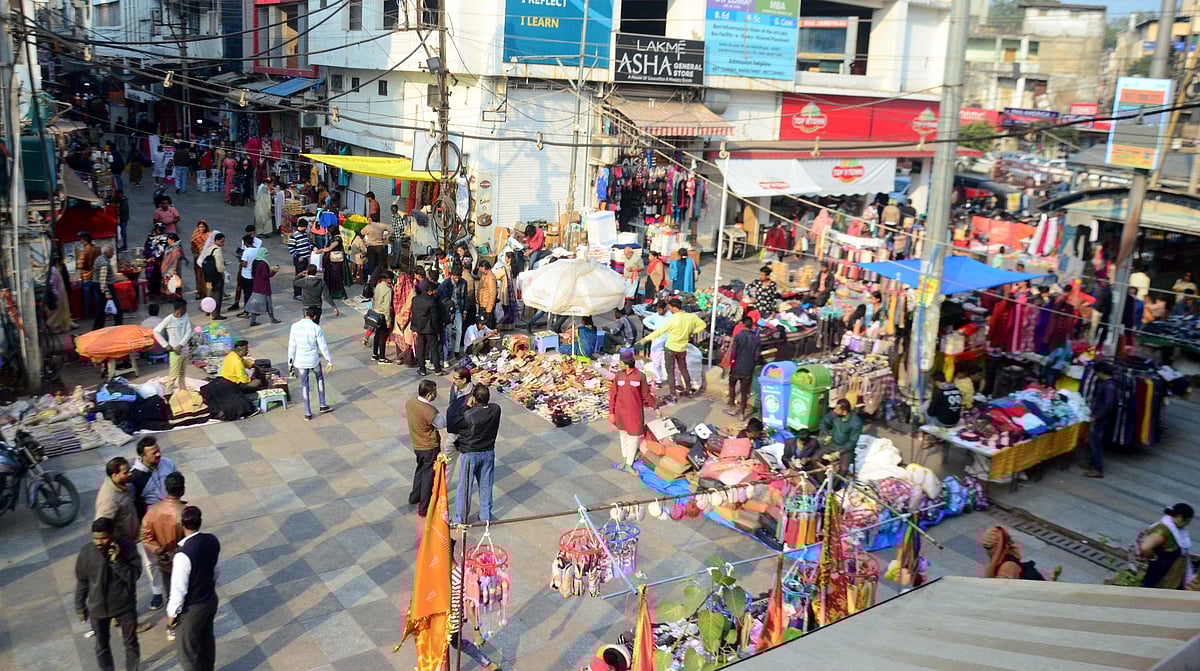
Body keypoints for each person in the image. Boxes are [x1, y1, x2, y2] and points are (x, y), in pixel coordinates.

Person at [75, 517, 142, 671]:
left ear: (112, 535)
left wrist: (117, 561)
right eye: (95, 538)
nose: (99, 542)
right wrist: (80, 606)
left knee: (130, 643)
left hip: (124, 606)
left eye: (104, 538)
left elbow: (133, 576)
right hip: (98, 608)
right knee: (101, 645)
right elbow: (82, 582)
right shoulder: (86, 552)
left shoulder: (127, 548)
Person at [167, 506, 221, 671]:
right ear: (200, 522)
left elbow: (178, 591)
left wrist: (171, 618)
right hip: (210, 599)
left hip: (192, 608)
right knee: (206, 643)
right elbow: (216, 570)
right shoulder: (212, 540)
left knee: (188, 654)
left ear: (182, 525)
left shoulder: (183, 555)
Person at [448, 536, 503, 671]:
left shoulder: (459, 577)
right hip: (443, 616)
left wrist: (476, 632)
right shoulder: (443, 572)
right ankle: (488, 664)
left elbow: (469, 604)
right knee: (456, 643)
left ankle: (488, 664)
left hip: (452, 621)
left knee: (447, 645)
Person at [638, 298, 706, 403]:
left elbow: (660, 331)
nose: (669, 310)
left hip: (670, 348)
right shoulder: (691, 317)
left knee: (671, 372)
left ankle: (673, 394)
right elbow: (703, 325)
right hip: (682, 348)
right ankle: (688, 390)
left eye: (670, 308)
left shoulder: (673, 319)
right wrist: (691, 332)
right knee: (683, 369)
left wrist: (645, 339)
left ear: (674, 308)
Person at [449, 385, 501, 524]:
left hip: (470, 453)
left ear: (474, 398)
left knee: (465, 487)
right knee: (486, 484)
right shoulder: (495, 409)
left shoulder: (468, 415)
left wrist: (466, 406)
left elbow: (453, 424)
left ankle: (460, 518)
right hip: (488, 451)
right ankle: (485, 515)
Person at [140, 471, 186, 627]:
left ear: (166, 489)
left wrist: (158, 550)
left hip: (164, 561)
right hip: (182, 561)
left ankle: (171, 622)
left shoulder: (153, 510)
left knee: (170, 592)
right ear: (182, 489)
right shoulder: (185, 512)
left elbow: (146, 536)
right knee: (184, 591)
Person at [608, 350, 655, 472]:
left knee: (633, 437)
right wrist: (611, 412)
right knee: (623, 434)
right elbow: (613, 394)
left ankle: (629, 464)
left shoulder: (640, 376)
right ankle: (625, 458)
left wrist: (655, 406)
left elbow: (646, 394)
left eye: (620, 362)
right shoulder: (619, 375)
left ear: (627, 363)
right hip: (620, 412)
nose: (619, 364)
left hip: (634, 412)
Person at [406, 379, 445, 516]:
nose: (436, 395)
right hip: (429, 446)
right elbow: (441, 424)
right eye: (434, 392)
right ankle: (424, 507)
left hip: (417, 444)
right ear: (428, 394)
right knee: (429, 475)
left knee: (420, 470)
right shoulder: (429, 410)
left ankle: (414, 496)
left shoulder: (411, 403)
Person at [288, 306, 334, 421]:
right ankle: (322, 404)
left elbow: (292, 346)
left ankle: (307, 412)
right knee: (319, 379)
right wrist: (329, 360)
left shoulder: (294, 327)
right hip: (313, 360)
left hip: (300, 361)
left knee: (305, 385)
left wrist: (290, 362)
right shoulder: (316, 328)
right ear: (315, 316)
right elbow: (323, 346)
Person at [1140, 503, 1194, 589]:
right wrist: (1153, 558)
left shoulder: (1179, 530)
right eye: (1187, 521)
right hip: (1160, 573)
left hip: (1172, 572)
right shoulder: (1163, 530)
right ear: (1180, 517)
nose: (1187, 524)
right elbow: (1145, 547)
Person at [1083, 362, 1119, 478]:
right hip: (1098, 416)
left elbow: (1108, 405)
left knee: (1095, 443)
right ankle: (1091, 463)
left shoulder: (1109, 386)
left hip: (1100, 419)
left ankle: (1098, 469)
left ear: (1101, 372)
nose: (1096, 374)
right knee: (1093, 441)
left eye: (1096, 372)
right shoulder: (1106, 383)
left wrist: (1096, 417)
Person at [152, 298, 193, 395]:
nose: (186, 310)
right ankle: (168, 395)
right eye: (185, 308)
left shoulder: (185, 316)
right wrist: (166, 345)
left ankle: (183, 391)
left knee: (182, 373)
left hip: (184, 350)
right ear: (181, 309)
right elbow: (156, 331)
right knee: (173, 376)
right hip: (174, 352)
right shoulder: (169, 319)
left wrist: (181, 345)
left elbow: (189, 331)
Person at [726, 316, 760, 419]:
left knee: (732, 386)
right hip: (748, 367)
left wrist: (731, 363)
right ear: (751, 326)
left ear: (743, 324)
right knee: (744, 391)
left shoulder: (738, 336)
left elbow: (733, 353)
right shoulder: (755, 338)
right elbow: (756, 355)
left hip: (736, 366)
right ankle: (742, 413)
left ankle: (731, 407)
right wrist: (753, 364)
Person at [819, 399, 864, 474]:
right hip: (833, 444)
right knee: (815, 459)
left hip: (846, 448)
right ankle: (821, 482)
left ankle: (834, 485)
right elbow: (823, 423)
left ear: (844, 412)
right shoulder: (834, 414)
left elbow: (852, 442)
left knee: (844, 469)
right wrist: (826, 435)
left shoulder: (856, 423)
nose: (834, 411)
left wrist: (839, 452)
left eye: (837, 410)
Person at [411, 280, 443, 376]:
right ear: (430, 291)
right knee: (433, 349)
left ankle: (422, 369)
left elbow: (414, 315)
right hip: (430, 329)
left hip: (419, 329)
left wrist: (413, 328)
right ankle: (437, 369)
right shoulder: (432, 302)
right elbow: (434, 318)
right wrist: (438, 331)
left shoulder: (415, 299)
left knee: (420, 348)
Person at [438, 264, 468, 360]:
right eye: (455, 278)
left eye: (458, 278)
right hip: (448, 311)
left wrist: (465, 311)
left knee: (459, 330)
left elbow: (465, 297)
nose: (457, 280)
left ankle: (456, 350)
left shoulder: (464, 283)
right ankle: (450, 348)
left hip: (459, 308)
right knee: (449, 331)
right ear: (452, 275)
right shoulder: (446, 284)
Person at [245, 247, 281, 326]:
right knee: (269, 303)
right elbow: (265, 275)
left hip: (257, 286)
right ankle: (272, 318)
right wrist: (273, 272)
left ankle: (253, 320)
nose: (267, 255)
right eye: (265, 253)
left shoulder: (256, 262)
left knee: (255, 304)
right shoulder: (263, 264)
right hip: (264, 287)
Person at [198, 232, 227, 321]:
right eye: (222, 241)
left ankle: (208, 309)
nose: (223, 243)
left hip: (209, 274)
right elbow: (219, 265)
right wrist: (222, 272)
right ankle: (216, 314)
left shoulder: (209, 248)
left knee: (211, 292)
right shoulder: (217, 250)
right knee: (218, 294)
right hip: (216, 275)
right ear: (217, 241)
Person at [93, 244, 123, 330]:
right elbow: (103, 279)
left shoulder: (99, 258)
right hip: (105, 287)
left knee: (101, 309)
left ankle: (97, 327)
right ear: (107, 253)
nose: (113, 254)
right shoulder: (104, 263)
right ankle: (118, 325)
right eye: (112, 252)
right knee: (117, 307)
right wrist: (107, 292)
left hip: (98, 285)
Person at [45, 250, 75, 333]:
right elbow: (52, 283)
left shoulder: (53, 269)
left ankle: (62, 324)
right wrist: (56, 294)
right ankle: (53, 326)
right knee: (56, 312)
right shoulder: (53, 270)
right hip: (57, 293)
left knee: (60, 310)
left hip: (59, 293)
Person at [371, 271, 395, 363]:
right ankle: (382, 357)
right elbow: (386, 307)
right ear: (389, 279)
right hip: (383, 315)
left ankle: (374, 354)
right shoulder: (388, 290)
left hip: (376, 313)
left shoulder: (378, 286)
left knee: (377, 335)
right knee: (383, 337)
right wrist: (388, 320)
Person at [288, 220, 315, 299]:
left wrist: (313, 248)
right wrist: (298, 256)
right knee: (299, 276)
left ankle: (303, 291)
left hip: (306, 258)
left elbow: (307, 244)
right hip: (299, 260)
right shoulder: (294, 235)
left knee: (304, 276)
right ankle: (297, 293)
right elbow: (291, 248)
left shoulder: (305, 234)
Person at [362, 210, 389, 276]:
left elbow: (362, 232)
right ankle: (379, 276)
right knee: (380, 263)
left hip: (371, 246)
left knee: (371, 263)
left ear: (371, 219)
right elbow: (391, 230)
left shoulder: (369, 227)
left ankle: (371, 277)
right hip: (379, 246)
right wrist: (387, 237)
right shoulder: (382, 226)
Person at [190, 221, 210, 299]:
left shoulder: (209, 236)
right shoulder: (195, 235)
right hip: (198, 258)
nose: (202, 228)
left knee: (206, 275)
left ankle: (206, 292)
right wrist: (196, 254)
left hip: (206, 258)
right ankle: (199, 291)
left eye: (203, 227)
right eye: (200, 227)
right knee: (198, 276)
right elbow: (192, 246)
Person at [476, 259, 497, 328]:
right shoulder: (484, 276)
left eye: (480, 267)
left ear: (484, 267)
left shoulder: (490, 278)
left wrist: (489, 308)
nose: (479, 269)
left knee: (486, 325)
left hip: (486, 304)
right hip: (482, 303)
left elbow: (492, 294)